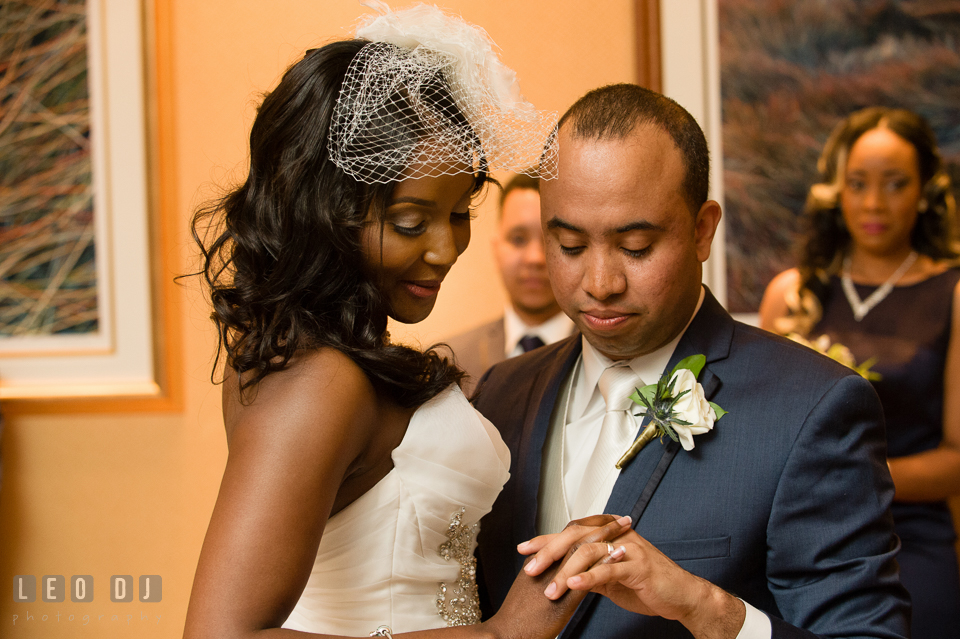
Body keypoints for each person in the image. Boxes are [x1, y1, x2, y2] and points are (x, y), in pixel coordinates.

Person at [182, 4, 607, 638]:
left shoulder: (332, 360)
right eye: (411, 222)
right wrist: (497, 635)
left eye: (460, 212)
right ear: (331, 211)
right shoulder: (318, 380)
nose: (445, 248)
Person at [472, 84, 910, 639]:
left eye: (635, 246)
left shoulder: (811, 410)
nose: (600, 284)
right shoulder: (500, 393)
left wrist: (707, 608)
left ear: (702, 229)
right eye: (571, 246)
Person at [759, 106, 960, 639]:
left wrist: (854, 482)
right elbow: (759, 432)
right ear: (836, 191)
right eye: (859, 184)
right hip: (798, 533)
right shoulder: (791, 294)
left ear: (923, 193)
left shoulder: (954, 296)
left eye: (895, 185)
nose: (874, 203)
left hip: (909, 536)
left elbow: (957, 459)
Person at [447, 173, 574, 395]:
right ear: (496, 248)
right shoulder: (450, 363)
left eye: (552, 240)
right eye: (518, 239)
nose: (535, 258)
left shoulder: (607, 356)